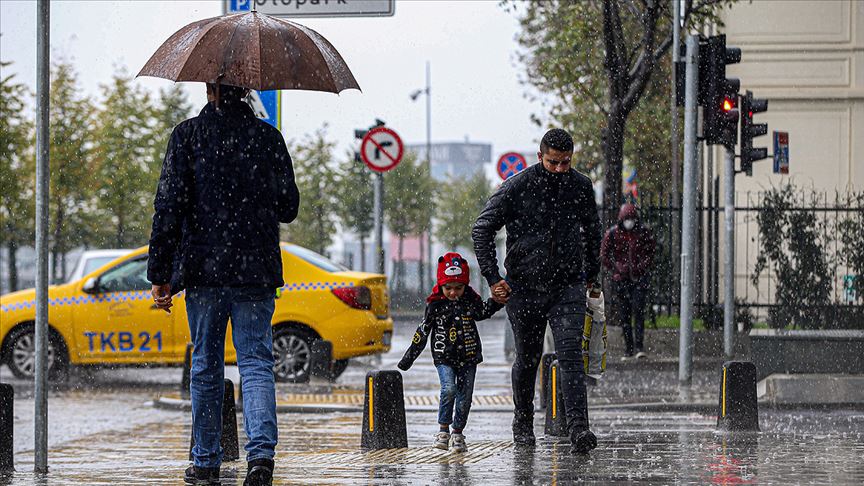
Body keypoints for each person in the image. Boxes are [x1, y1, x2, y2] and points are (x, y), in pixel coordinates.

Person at [148, 83, 299, 486]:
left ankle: (205, 462)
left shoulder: (188, 136)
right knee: (255, 362)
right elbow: (289, 207)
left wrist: (159, 272)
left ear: (210, 89)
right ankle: (261, 459)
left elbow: (168, 205)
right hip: (255, 269)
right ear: (247, 90)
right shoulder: (268, 138)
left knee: (206, 365)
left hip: (204, 270)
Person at [472, 128, 602, 454]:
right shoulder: (517, 186)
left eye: (565, 163)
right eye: (553, 162)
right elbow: (482, 228)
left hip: (567, 285)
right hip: (524, 287)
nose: (559, 169)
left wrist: (591, 274)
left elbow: (593, 229)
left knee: (572, 356)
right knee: (527, 360)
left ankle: (579, 429)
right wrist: (493, 277)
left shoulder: (580, 186)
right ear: (540, 156)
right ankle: (522, 421)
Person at [397, 252, 503, 453]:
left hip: (469, 356)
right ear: (441, 286)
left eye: (458, 288)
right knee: (449, 389)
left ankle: (458, 433)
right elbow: (423, 331)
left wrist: (497, 301)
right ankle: (443, 430)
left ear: (465, 286)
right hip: (443, 357)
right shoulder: (435, 305)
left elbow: (482, 312)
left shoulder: (470, 301)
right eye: (448, 288)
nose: (453, 293)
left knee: (466, 395)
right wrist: (407, 359)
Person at [601, 203, 655, 360]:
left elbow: (650, 252)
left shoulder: (643, 233)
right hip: (622, 280)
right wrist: (617, 268)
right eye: (627, 219)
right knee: (625, 315)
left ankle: (638, 346)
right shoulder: (613, 234)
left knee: (638, 311)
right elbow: (605, 255)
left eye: (631, 219)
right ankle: (628, 348)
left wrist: (641, 267)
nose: (629, 222)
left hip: (638, 278)